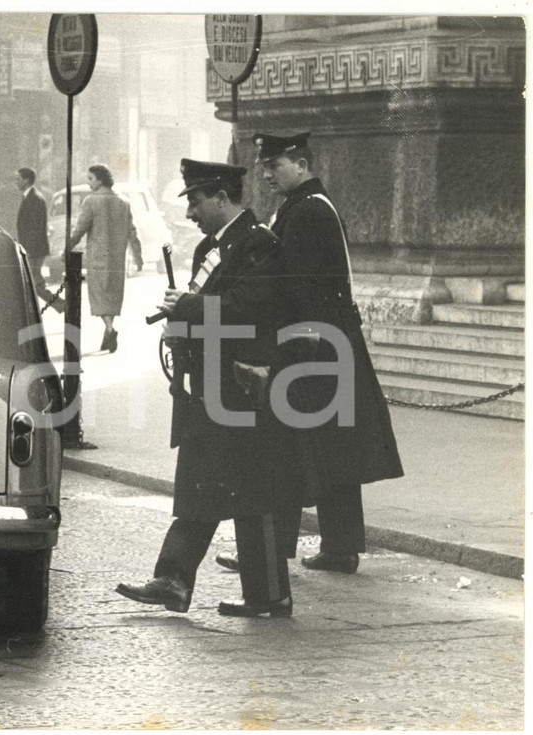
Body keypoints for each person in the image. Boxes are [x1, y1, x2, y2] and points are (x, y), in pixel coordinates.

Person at [115, 160, 301, 618]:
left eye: (196, 202)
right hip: (207, 390)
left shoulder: (259, 246)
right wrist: (181, 326)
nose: (191, 213)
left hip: (243, 389)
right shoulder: (209, 249)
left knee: (251, 495)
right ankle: (175, 580)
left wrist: (191, 306)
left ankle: (268, 594)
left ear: (222, 197)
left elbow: (247, 309)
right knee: (201, 484)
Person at [242, 131, 404, 575]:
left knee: (292, 446)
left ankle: (272, 550)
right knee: (332, 449)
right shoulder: (308, 206)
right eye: (265, 165)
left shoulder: (308, 211)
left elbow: (295, 286)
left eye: (274, 165)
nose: (267, 172)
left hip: (313, 345)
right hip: (328, 342)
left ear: (300, 162)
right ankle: (338, 546)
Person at [68, 163, 143, 353]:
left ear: (100, 180)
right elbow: (132, 232)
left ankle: (110, 329)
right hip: (118, 259)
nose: (88, 183)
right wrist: (138, 256)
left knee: (99, 297)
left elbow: (80, 229)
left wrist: (66, 248)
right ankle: (107, 335)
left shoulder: (91, 201)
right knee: (112, 297)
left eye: (91, 179)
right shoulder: (123, 202)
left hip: (97, 259)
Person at [16, 167, 63, 313]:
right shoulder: (29, 196)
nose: (17, 182)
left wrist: (28, 250)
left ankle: (61, 305)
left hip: (34, 249)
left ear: (26, 180)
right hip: (32, 248)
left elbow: (35, 228)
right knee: (32, 283)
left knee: (35, 284)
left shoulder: (35, 198)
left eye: (19, 179)